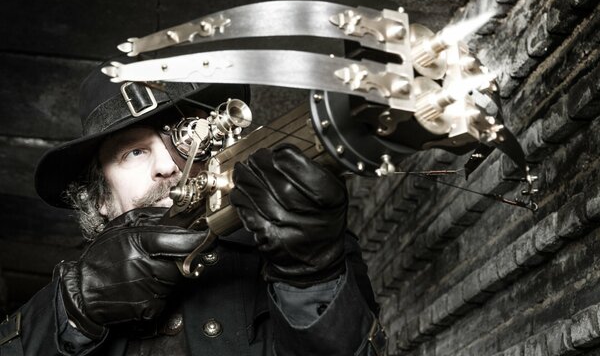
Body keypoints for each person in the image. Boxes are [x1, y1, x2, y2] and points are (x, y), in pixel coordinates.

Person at [0, 59, 386, 356]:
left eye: (185, 142)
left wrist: (311, 275)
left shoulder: (302, 243)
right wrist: (75, 308)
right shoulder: (71, 299)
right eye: (135, 152)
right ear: (97, 199)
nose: (168, 166)